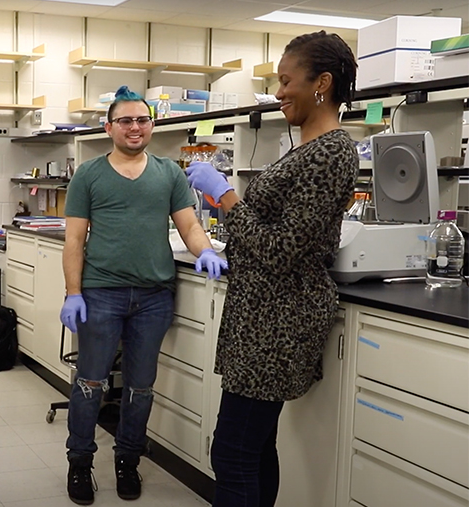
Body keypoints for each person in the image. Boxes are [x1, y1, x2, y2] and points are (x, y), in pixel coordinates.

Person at [185, 31, 359, 507]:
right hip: (261, 318)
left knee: (233, 452)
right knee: (254, 447)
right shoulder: (308, 149)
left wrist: (225, 198)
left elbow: (282, 250)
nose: (278, 92)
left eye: (286, 81)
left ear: (322, 83)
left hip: (279, 323)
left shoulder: (331, 152)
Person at [60, 86, 227, 505]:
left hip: (154, 296)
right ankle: (79, 462)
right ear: (109, 127)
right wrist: (73, 292)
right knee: (90, 383)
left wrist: (204, 248)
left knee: (141, 387)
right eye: (126, 121)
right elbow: (74, 241)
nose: (135, 127)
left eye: (142, 120)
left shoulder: (168, 172)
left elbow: (188, 225)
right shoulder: (90, 174)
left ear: (151, 125)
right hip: (101, 294)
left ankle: (127, 461)